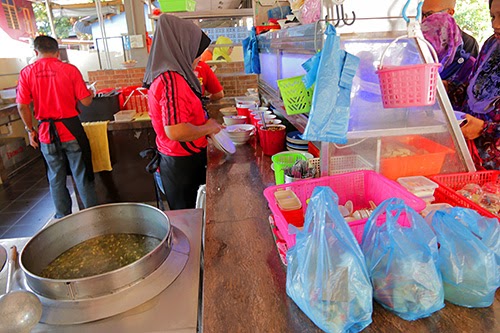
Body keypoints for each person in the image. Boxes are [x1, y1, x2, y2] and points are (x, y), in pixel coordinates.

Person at [143, 14, 222, 210]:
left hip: (184, 160)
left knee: (193, 219)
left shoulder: (175, 76)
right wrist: (208, 127)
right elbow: (176, 131)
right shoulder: (171, 80)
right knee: (188, 223)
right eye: (196, 51)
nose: (198, 58)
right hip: (180, 165)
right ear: (182, 46)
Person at [16, 35, 98, 218]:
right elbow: (86, 101)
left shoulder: (26, 72)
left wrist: (30, 130)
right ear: (57, 51)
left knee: (55, 178)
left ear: (36, 52)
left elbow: (22, 106)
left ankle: (63, 218)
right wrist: (90, 92)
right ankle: (93, 216)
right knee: (81, 175)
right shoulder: (69, 70)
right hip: (71, 131)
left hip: (46, 133)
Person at [455, 0, 499, 170]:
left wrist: (484, 128)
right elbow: (473, 88)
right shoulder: (492, 45)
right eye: (492, 16)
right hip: (471, 163)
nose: (495, 24)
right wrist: (445, 88)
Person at [421, 12, 476, 110]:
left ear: (449, 40)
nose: (431, 49)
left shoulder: (470, 67)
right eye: (427, 42)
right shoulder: (421, 62)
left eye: (437, 43)